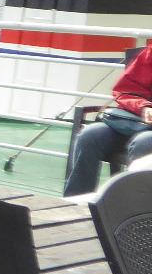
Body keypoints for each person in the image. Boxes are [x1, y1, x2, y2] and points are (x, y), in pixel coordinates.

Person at [63, 48, 152, 197]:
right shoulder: (149, 54)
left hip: (146, 136)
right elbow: (126, 90)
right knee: (90, 136)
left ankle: (133, 207)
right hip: (134, 121)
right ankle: (76, 200)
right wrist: (144, 107)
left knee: (143, 143)